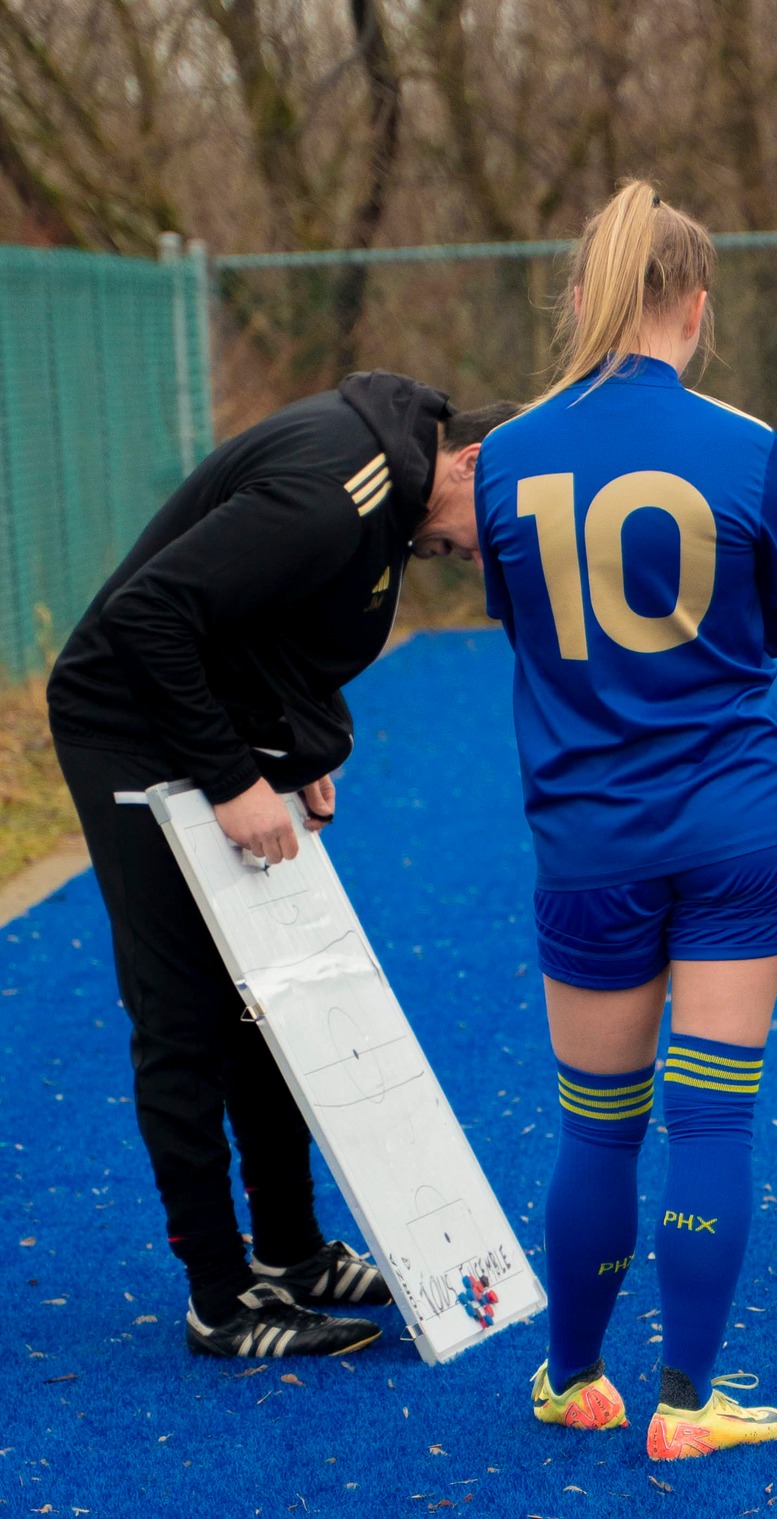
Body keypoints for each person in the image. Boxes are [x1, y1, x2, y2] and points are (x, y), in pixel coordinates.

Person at [45, 370, 515, 1357]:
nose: (481, 560)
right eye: (495, 533)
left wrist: (288, 750)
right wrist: (232, 778)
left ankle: (291, 1255)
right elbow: (148, 617)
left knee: (264, 1001)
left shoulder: (391, 491)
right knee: (183, 1016)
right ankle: (222, 1301)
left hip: (201, 721)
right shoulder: (333, 492)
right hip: (126, 724)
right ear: (472, 462)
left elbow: (261, 620)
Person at [473, 180, 777, 1461]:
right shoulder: (747, 444)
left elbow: (525, 627)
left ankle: (573, 1378)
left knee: (596, 1124)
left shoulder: (505, 455)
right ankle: (686, 1402)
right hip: (736, 823)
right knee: (711, 1119)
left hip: (589, 838)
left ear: (579, 297)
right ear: (696, 306)